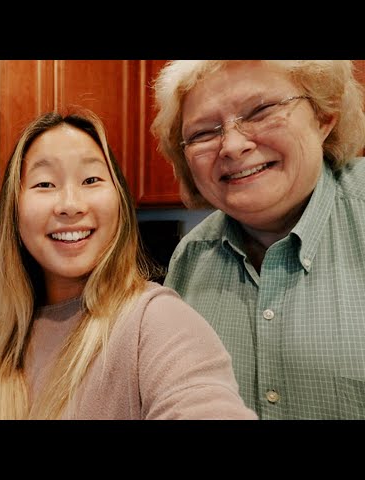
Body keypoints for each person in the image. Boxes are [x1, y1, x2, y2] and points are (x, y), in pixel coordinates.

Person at [0, 107, 257, 420]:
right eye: (45, 184)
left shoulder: (155, 323)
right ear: (15, 212)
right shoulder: (3, 334)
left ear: (120, 204)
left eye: (91, 179)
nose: (69, 204)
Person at [153, 60, 365, 420]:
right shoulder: (189, 259)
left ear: (323, 116)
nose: (232, 146)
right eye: (204, 132)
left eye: (262, 110)